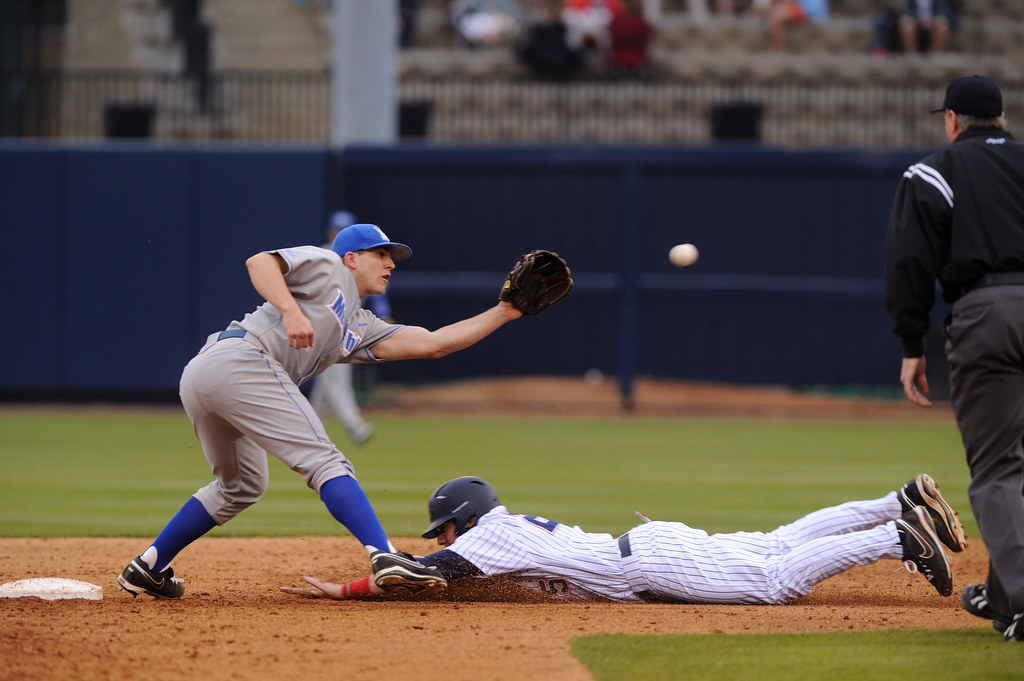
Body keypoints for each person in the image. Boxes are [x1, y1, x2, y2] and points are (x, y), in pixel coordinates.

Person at [117, 223, 554, 600]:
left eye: (392, 256)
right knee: (326, 461)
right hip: (240, 361)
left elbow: (434, 342)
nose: (391, 263)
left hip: (207, 376)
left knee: (241, 486)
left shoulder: (360, 325)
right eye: (381, 253)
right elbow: (259, 262)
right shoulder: (328, 267)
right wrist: (290, 310)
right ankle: (383, 556)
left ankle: (148, 566)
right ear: (351, 258)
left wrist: (506, 311)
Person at [281, 473, 964, 604]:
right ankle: (894, 500)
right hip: (650, 545)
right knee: (778, 541)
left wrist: (345, 589)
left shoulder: (491, 537)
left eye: (446, 525)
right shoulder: (507, 526)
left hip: (650, 557)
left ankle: (897, 535)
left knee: (772, 581)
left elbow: (421, 574)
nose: (445, 536)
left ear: (466, 516)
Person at [883, 74, 1024, 642]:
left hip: (986, 311)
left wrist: (911, 342)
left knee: (998, 468)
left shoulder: (934, 171)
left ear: (952, 121)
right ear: (1004, 120)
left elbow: (908, 262)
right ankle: (1003, 591)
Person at [308, 211, 386, 446]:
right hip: (325, 325)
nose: (337, 233)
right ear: (329, 231)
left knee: (326, 384)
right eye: (336, 229)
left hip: (351, 324)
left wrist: (384, 316)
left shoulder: (365, 257)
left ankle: (311, 429)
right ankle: (355, 427)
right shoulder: (321, 255)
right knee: (336, 379)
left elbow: (380, 294)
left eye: (344, 229)